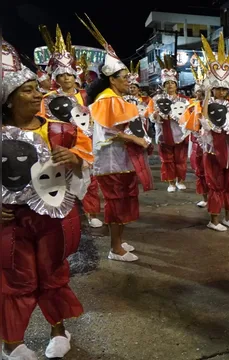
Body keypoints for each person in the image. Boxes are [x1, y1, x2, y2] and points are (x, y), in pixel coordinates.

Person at [1, 40, 93, 360]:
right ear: (8, 101)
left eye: (35, 88)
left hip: (53, 216)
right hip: (11, 221)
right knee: (15, 279)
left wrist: (75, 159)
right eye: (27, 91)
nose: (38, 94)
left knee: (53, 273)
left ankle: (59, 330)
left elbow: (85, 166)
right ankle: (12, 343)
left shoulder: (61, 131)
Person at [80, 14, 153, 262]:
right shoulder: (108, 99)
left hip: (120, 161)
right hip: (111, 162)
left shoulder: (116, 98)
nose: (128, 82)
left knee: (123, 202)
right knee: (116, 204)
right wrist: (137, 141)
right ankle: (115, 248)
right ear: (112, 79)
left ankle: (119, 241)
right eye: (125, 78)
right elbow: (111, 130)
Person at [199, 33, 229, 231]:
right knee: (216, 185)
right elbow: (204, 123)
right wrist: (207, 97)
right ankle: (214, 220)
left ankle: (228, 217)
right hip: (213, 150)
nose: (221, 92)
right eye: (217, 89)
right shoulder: (207, 104)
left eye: (224, 89)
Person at [146, 55, 189, 192]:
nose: (170, 85)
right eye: (167, 83)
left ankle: (180, 180)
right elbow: (150, 115)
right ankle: (170, 183)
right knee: (167, 160)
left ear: (176, 85)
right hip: (163, 134)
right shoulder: (156, 99)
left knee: (181, 160)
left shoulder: (184, 100)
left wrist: (179, 117)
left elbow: (189, 117)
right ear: (163, 85)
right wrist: (156, 115)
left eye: (172, 83)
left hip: (180, 134)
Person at [38, 25, 88, 118]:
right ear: (56, 79)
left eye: (69, 74)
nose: (66, 78)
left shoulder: (86, 95)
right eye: (61, 75)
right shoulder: (49, 98)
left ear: (75, 77)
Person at [182, 62, 209, 208]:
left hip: (212, 143)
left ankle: (215, 197)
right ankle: (205, 198)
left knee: (213, 171)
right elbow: (186, 124)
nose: (200, 94)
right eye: (198, 91)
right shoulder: (191, 106)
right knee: (200, 170)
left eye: (203, 92)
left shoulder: (214, 106)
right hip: (197, 142)